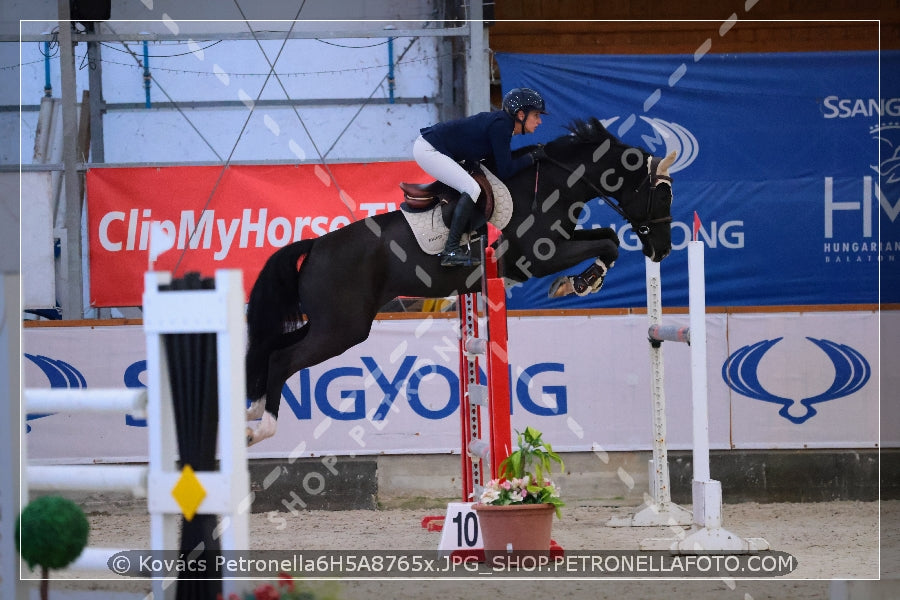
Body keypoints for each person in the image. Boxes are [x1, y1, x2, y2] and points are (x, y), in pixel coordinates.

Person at [413, 87, 547, 267]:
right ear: (521, 114)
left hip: (433, 147)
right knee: (472, 188)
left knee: (473, 185)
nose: (539, 121)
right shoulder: (501, 126)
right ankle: (450, 250)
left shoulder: (503, 124)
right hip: (429, 149)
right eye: (536, 115)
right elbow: (506, 171)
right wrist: (532, 157)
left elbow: (498, 168)